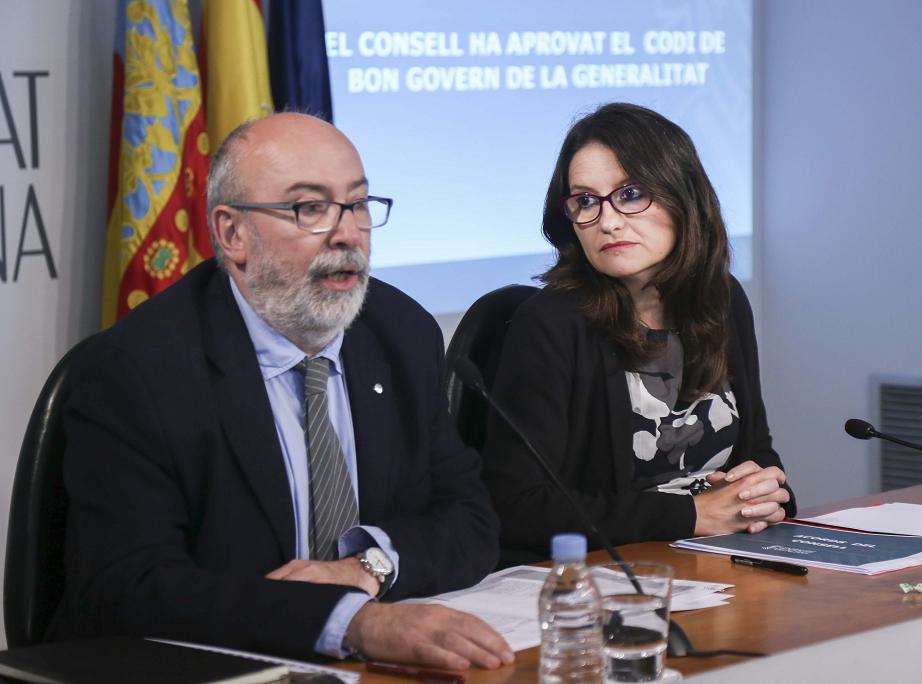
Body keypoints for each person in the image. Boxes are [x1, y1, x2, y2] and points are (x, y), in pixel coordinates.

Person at [51, 112, 514, 671]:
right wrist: (352, 622)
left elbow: (470, 519)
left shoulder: (400, 333)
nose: (346, 234)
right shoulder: (137, 371)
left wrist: (365, 569)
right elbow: (130, 588)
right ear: (232, 234)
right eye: (309, 209)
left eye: (358, 204)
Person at [482, 103, 796, 563]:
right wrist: (689, 516)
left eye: (630, 194)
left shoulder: (722, 300)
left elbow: (757, 450)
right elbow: (514, 506)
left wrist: (764, 494)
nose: (607, 221)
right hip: (601, 580)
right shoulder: (549, 323)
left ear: (682, 196)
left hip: (714, 564)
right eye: (586, 201)